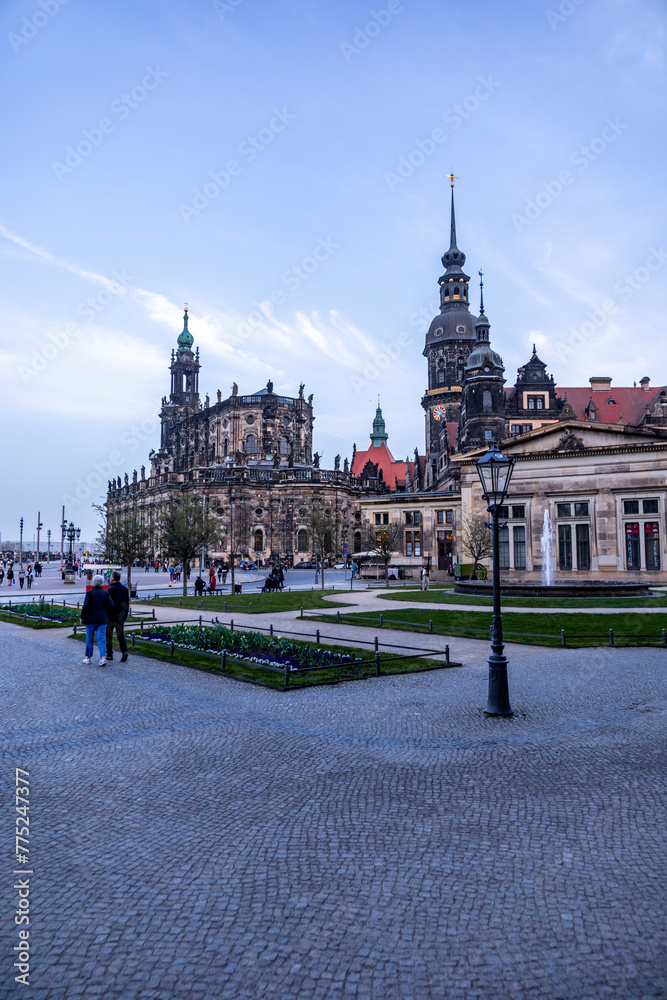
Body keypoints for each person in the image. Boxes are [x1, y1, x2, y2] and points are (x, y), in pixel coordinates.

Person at [81, 575, 115, 666]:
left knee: (89, 638)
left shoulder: (89, 593)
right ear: (101, 582)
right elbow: (111, 605)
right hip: (102, 618)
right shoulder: (105, 593)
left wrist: (82, 617)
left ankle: (88, 657)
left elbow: (86, 607)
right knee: (101, 639)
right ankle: (103, 657)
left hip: (90, 619)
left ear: (93, 582)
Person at [106, 571, 130, 662]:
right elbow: (127, 603)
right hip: (121, 615)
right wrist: (126, 614)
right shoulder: (124, 589)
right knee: (120, 635)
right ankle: (124, 652)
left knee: (109, 635)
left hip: (111, 616)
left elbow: (108, 604)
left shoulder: (110, 590)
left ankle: (109, 654)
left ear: (112, 578)